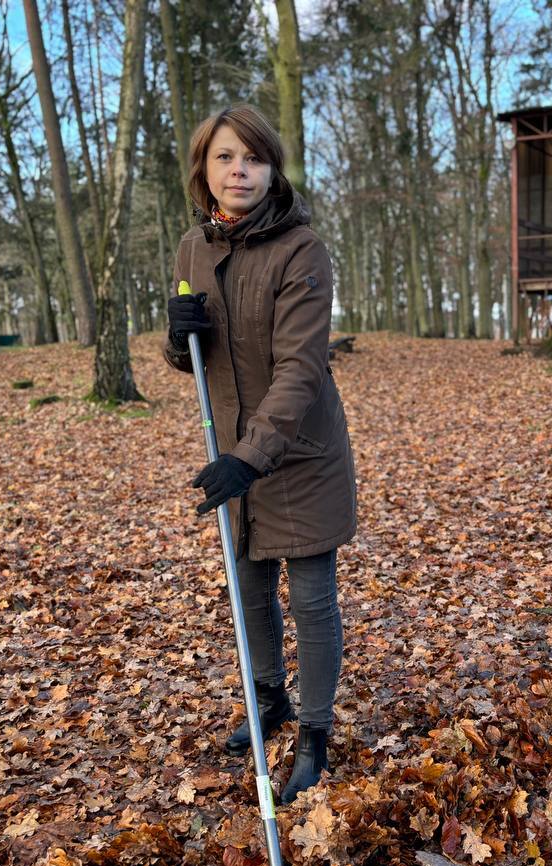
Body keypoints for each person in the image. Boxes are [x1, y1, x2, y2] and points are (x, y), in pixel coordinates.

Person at [163, 105, 356, 804]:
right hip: (235, 451)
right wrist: (174, 336)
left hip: (298, 452)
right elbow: (193, 356)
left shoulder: (300, 249)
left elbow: (301, 369)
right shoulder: (192, 249)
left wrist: (253, 455)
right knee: (250, 593)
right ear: (204, 170)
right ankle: (268, 699)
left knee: (310, 599)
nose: (238, 170)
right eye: (224, 158)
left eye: (252, 158)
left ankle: (313, 732)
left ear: (272, 169)